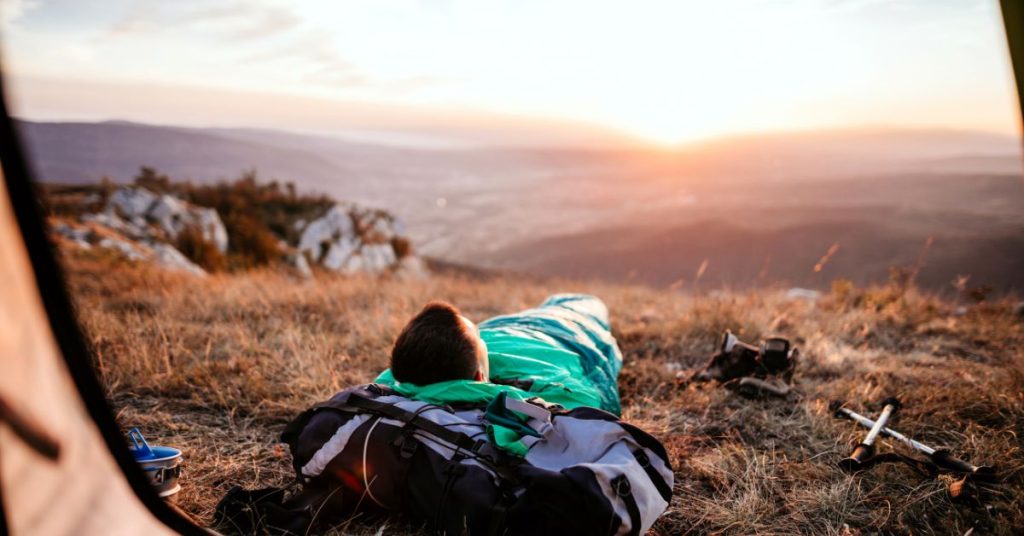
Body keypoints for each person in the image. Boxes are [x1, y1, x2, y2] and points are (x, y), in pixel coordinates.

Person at [373, 293, 623, 417]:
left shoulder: (394, 383)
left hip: (509, 325)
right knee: (585, 301)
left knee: (557, 301)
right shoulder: (515, 395)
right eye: (480, 339)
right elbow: (592, 403)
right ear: (481, 375)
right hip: (566, 331)